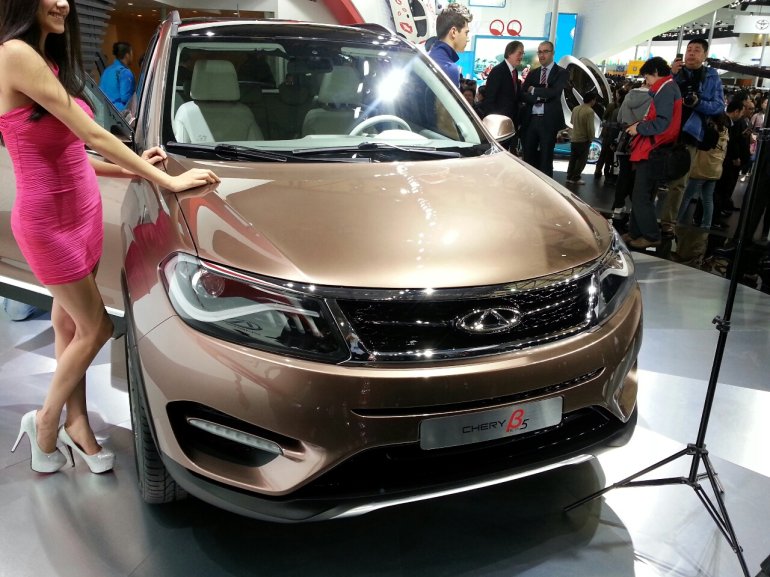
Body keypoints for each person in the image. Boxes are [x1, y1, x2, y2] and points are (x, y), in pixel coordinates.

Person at [0, 0, 220, 474]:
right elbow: (93, 133)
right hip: (46, 222)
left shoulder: (49, 63)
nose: (62, 2)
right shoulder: (13, 55)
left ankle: (77, 424)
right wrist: (168, 181)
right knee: (97, 327)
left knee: (69, 327)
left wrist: (134, 169)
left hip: (82, 213)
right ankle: (44, 423)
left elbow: (76, 153)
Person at [658, 38, 725, 237]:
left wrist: (697, 103)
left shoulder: (712, 77)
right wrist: (671, 75)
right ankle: (643, 216)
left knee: (679, 181)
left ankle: (667, 223)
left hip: (690, 133)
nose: (691, 53)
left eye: (696, 50)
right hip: (665, 130)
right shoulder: (675, 73)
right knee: (653, 174)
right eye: (688, 50)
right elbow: (657, 97)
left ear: (704, 55)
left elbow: (719, 106)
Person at [624, 56, 682, 250]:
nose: (646, 82)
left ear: (655, 73)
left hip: (653, 148)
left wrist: (639, 128)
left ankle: (650, 235)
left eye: (647, 77)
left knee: (641, 195)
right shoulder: (668, 88)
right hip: (654, 148)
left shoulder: (666, 90)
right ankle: (635, 232)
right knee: (642, 194)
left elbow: (662, 123)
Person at [519, 41, 568, 177]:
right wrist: (539, 97)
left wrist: (534, 90)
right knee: (528, 157)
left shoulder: (561, 73)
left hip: (549, 122)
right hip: (531, 120)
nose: (542, 55)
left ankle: (546, 191)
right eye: (539, 52)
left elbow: (554, 92)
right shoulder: (533, 73)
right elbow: (523, 93)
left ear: (552, 53)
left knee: (546, 159)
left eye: (545, 51)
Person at [610, 78, 653, 229]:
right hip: (641, 141)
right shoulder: (654, 97)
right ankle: (636, 211)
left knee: (623, 175)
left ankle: (617, 206)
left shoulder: (628, 96)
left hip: (624, 139)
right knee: (638, 178)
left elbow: (620, 118)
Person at [478, 40, 524, 149]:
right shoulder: (498, 71)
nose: (521, 56)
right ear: (509, 53)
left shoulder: (514, 72)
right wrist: (493, 123)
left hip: (510, 124)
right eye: (519, 53)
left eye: (523, 53)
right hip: (498, 126)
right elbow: (490, 99)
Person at [427, 3, 472, 88]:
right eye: (466, 33)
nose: (467, 39)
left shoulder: (427, 57)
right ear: (454, 32)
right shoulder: (449, 68)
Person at [565, 90, 599, 185]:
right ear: (592, 100)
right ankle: (576, 177)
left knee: (573, 159)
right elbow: (590, 128)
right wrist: (591, 138)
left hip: (574, 137)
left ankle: (569, 176)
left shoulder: (576, 108)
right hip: (583, 139)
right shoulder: (589, 111)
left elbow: (571, 122)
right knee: (581, 160)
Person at [99, 41, 135, 111]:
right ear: (127, 55)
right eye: (131, 53)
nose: (132, 55)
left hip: (105, 111)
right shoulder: (125, 72)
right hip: (120, 113)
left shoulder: (107, 71)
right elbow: (125, 97)